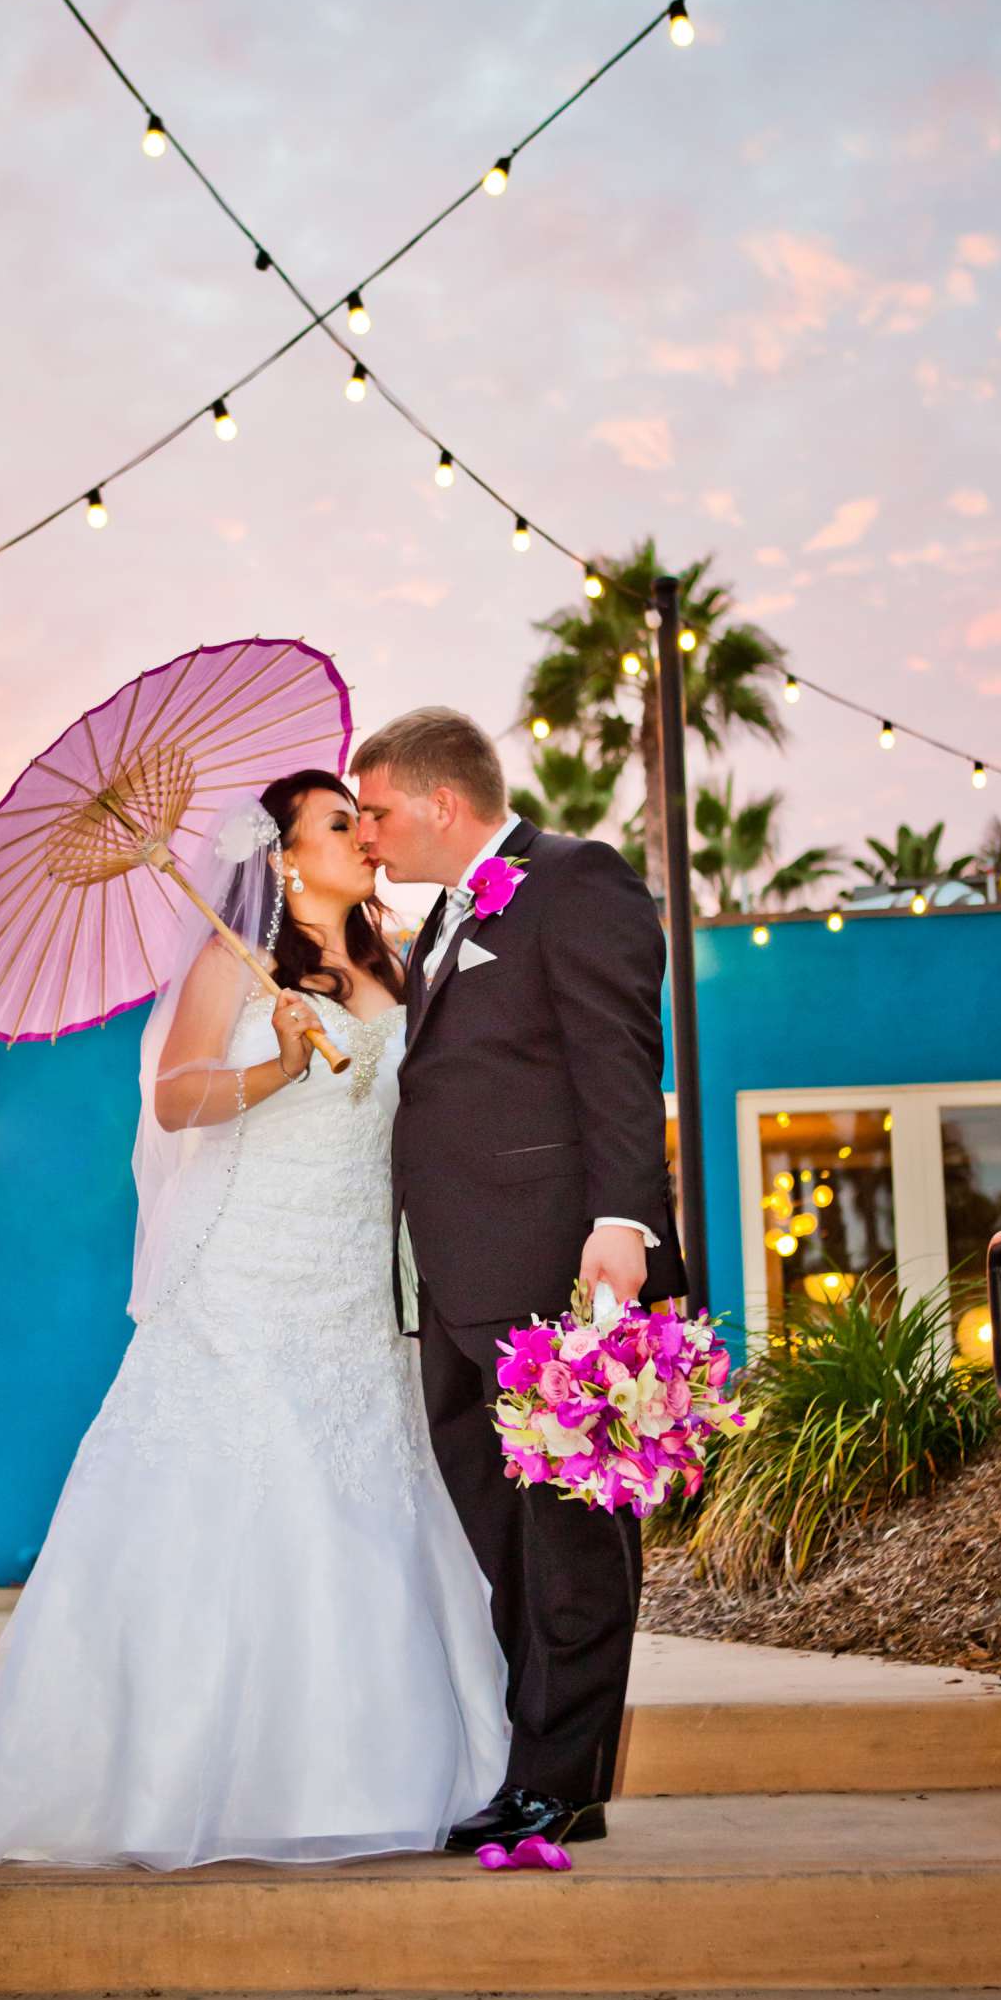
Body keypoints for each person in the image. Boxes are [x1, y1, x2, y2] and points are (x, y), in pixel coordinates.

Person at [0, 770, 508, 1871]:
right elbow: (176, 1097)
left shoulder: (397, 967)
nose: (366, 837)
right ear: (283, 855)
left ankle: (376, 1770)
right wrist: (280, 1066)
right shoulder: (224, 966)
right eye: (342, 824)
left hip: (358, 1279)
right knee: (250, 1491)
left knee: (366, 1499)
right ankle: (188, 1783)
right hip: (247, 1269)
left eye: (365, 820)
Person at [352, 707, 685, 1855]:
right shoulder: (441, 918)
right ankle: (530, 1766)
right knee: (502, 1543)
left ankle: (563, 1785)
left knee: (572, 1543)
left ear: (444, 803)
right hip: (451, 1286)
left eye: (379, 811)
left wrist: (622, 1223)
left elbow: (616, 1055)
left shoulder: (573, 879)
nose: (368, 837)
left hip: (558, 1270)